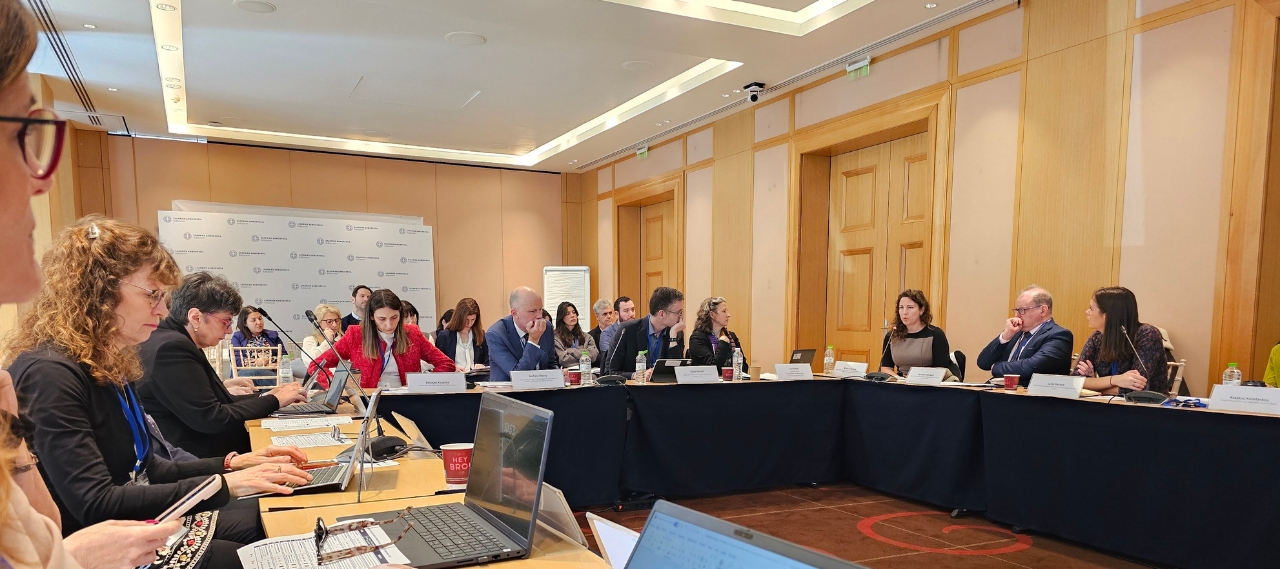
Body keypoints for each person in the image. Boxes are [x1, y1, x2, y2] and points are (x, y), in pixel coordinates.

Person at [0, 7, 204, 567]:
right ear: (98, 292)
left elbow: (45, 541)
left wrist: (232, 472)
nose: (39, 180)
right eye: (22, 136)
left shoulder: (50, 374)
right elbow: (87, 512)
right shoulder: (49, 371)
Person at [4, 217, 313, 568]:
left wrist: (233, 465)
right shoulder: (49, 374)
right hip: (99, 550)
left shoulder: (104, 361)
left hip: (133, 526)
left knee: (272, 518)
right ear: (99, 292)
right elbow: (94, 503)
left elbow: (150, 466)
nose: (164, 310)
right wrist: (228, 483)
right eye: (152, 294)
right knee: (266, 550)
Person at [137, 272, 308, 458]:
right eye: (226, 321)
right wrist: (275, 400)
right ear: (196, 317)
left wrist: (268, 396)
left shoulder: (173, 339)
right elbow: (212, 417)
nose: (229, 330)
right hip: (201, 458)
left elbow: (211, 403)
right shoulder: (172, 348)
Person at [309, 289, 455, 389]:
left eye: (394, 317)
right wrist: (336, 389)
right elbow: (316, 366)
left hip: (407, 401)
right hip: (368, 402)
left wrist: (423, 385)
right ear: (372, 316)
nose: (389, 325)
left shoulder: (412, 334)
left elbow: (446, 363)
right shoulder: (356, 335)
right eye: (382, 319)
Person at [1072, 286, 1169, 394]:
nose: (1087, 312)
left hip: (1146, 403)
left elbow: (1135, 387)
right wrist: (1115, 380)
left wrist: (1095, 385)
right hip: (1108, 402)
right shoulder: (1097, 337)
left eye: (1091, 308)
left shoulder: (1147, 334)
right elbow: (1075, 382)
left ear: (1107, 315)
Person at [976, 285, 1074, 386]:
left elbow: (1031, 367)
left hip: (1029, 394)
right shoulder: (1015, 332)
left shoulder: (1059, 335)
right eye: (1016, 310)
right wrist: (1005, 337)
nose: (1016, 315)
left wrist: (995, 367)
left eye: (1022, 310)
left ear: (1043, 310)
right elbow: (983, 363)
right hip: (997, 391)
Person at [603, 287, 686, 377]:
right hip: (634, 385)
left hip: (663, 385)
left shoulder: (676, 332)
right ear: (662, 314)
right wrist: (635, 375)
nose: (681, 317)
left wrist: (673, 338)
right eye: (678, 312)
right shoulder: (627, 330)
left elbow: (679, 373)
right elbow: (611, 372)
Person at [486, 287, 559, 382]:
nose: (539, 316)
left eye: (540, 309)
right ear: (515, 313)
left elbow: (551, 364)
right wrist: (533, 340)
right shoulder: (496, 335)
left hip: (542, 389)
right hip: (509, 390)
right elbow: (519, 376)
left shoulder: (546, 326)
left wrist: (559, 375)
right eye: (532, 311)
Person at [879, 290, 958, 377]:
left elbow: (940, 370)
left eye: (910, 307)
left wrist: (914, 378)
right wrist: (899, 379)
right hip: (900, 381)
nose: (904, 312)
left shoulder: (936, 335)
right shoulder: (892, 336)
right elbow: (885, 368)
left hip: (928, 381)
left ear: (921, 310)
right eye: (901, 307)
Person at [686, 297, 746, 374]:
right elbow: (713, 368)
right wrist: (723, 343)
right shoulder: (697, 338)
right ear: (712, 314)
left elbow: (744, 367)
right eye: (724, 311)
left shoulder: (731, 336)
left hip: (732, 380)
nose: (728, 315)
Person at [229, 305, 286, 383]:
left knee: (274, 374)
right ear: (245, 323)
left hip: (271, 372)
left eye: (260, 318)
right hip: (245, 373)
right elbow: (237, 361)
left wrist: (267, 363)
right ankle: (281, 388)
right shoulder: (238, 337)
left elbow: (284, 357)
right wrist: (258, 364)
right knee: (257, 372)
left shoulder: (272, 335)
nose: (259, 322)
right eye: (253, 320)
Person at [435, 298, 489, 373]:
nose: (469, 324)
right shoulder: (444, 336)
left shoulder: (480, 335)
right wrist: (452, 368)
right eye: (466, 320)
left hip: (476, 378)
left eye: (473, 319)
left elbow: (488, 361)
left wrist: (482, 366)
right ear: (459, 317)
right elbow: (439, 362)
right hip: (454, 378)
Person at [553, 302, 599, 369]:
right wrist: (585, 359)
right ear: (561, 317)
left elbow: (593, 356)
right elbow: (563, 359)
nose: (572, 316)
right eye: (567, 314)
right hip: (566, 373)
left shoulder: (587, 337)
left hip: (586, 372)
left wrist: (572, 351)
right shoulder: (556, 337)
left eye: (574, 312)